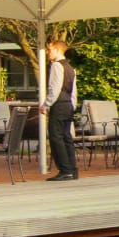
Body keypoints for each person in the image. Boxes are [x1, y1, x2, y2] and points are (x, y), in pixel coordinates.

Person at [44, 37, 80, 181]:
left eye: (50, 49)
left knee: (56, 138)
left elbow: (55, 88)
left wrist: (46, 104)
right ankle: (73, 170)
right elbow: (73, 91)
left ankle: (65, 170)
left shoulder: (56, 66)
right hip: (68, 105)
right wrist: (72, 105)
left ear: (58, 50)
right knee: (66, 137)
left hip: (59, 105)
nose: (48, 52)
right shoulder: (71, 68)